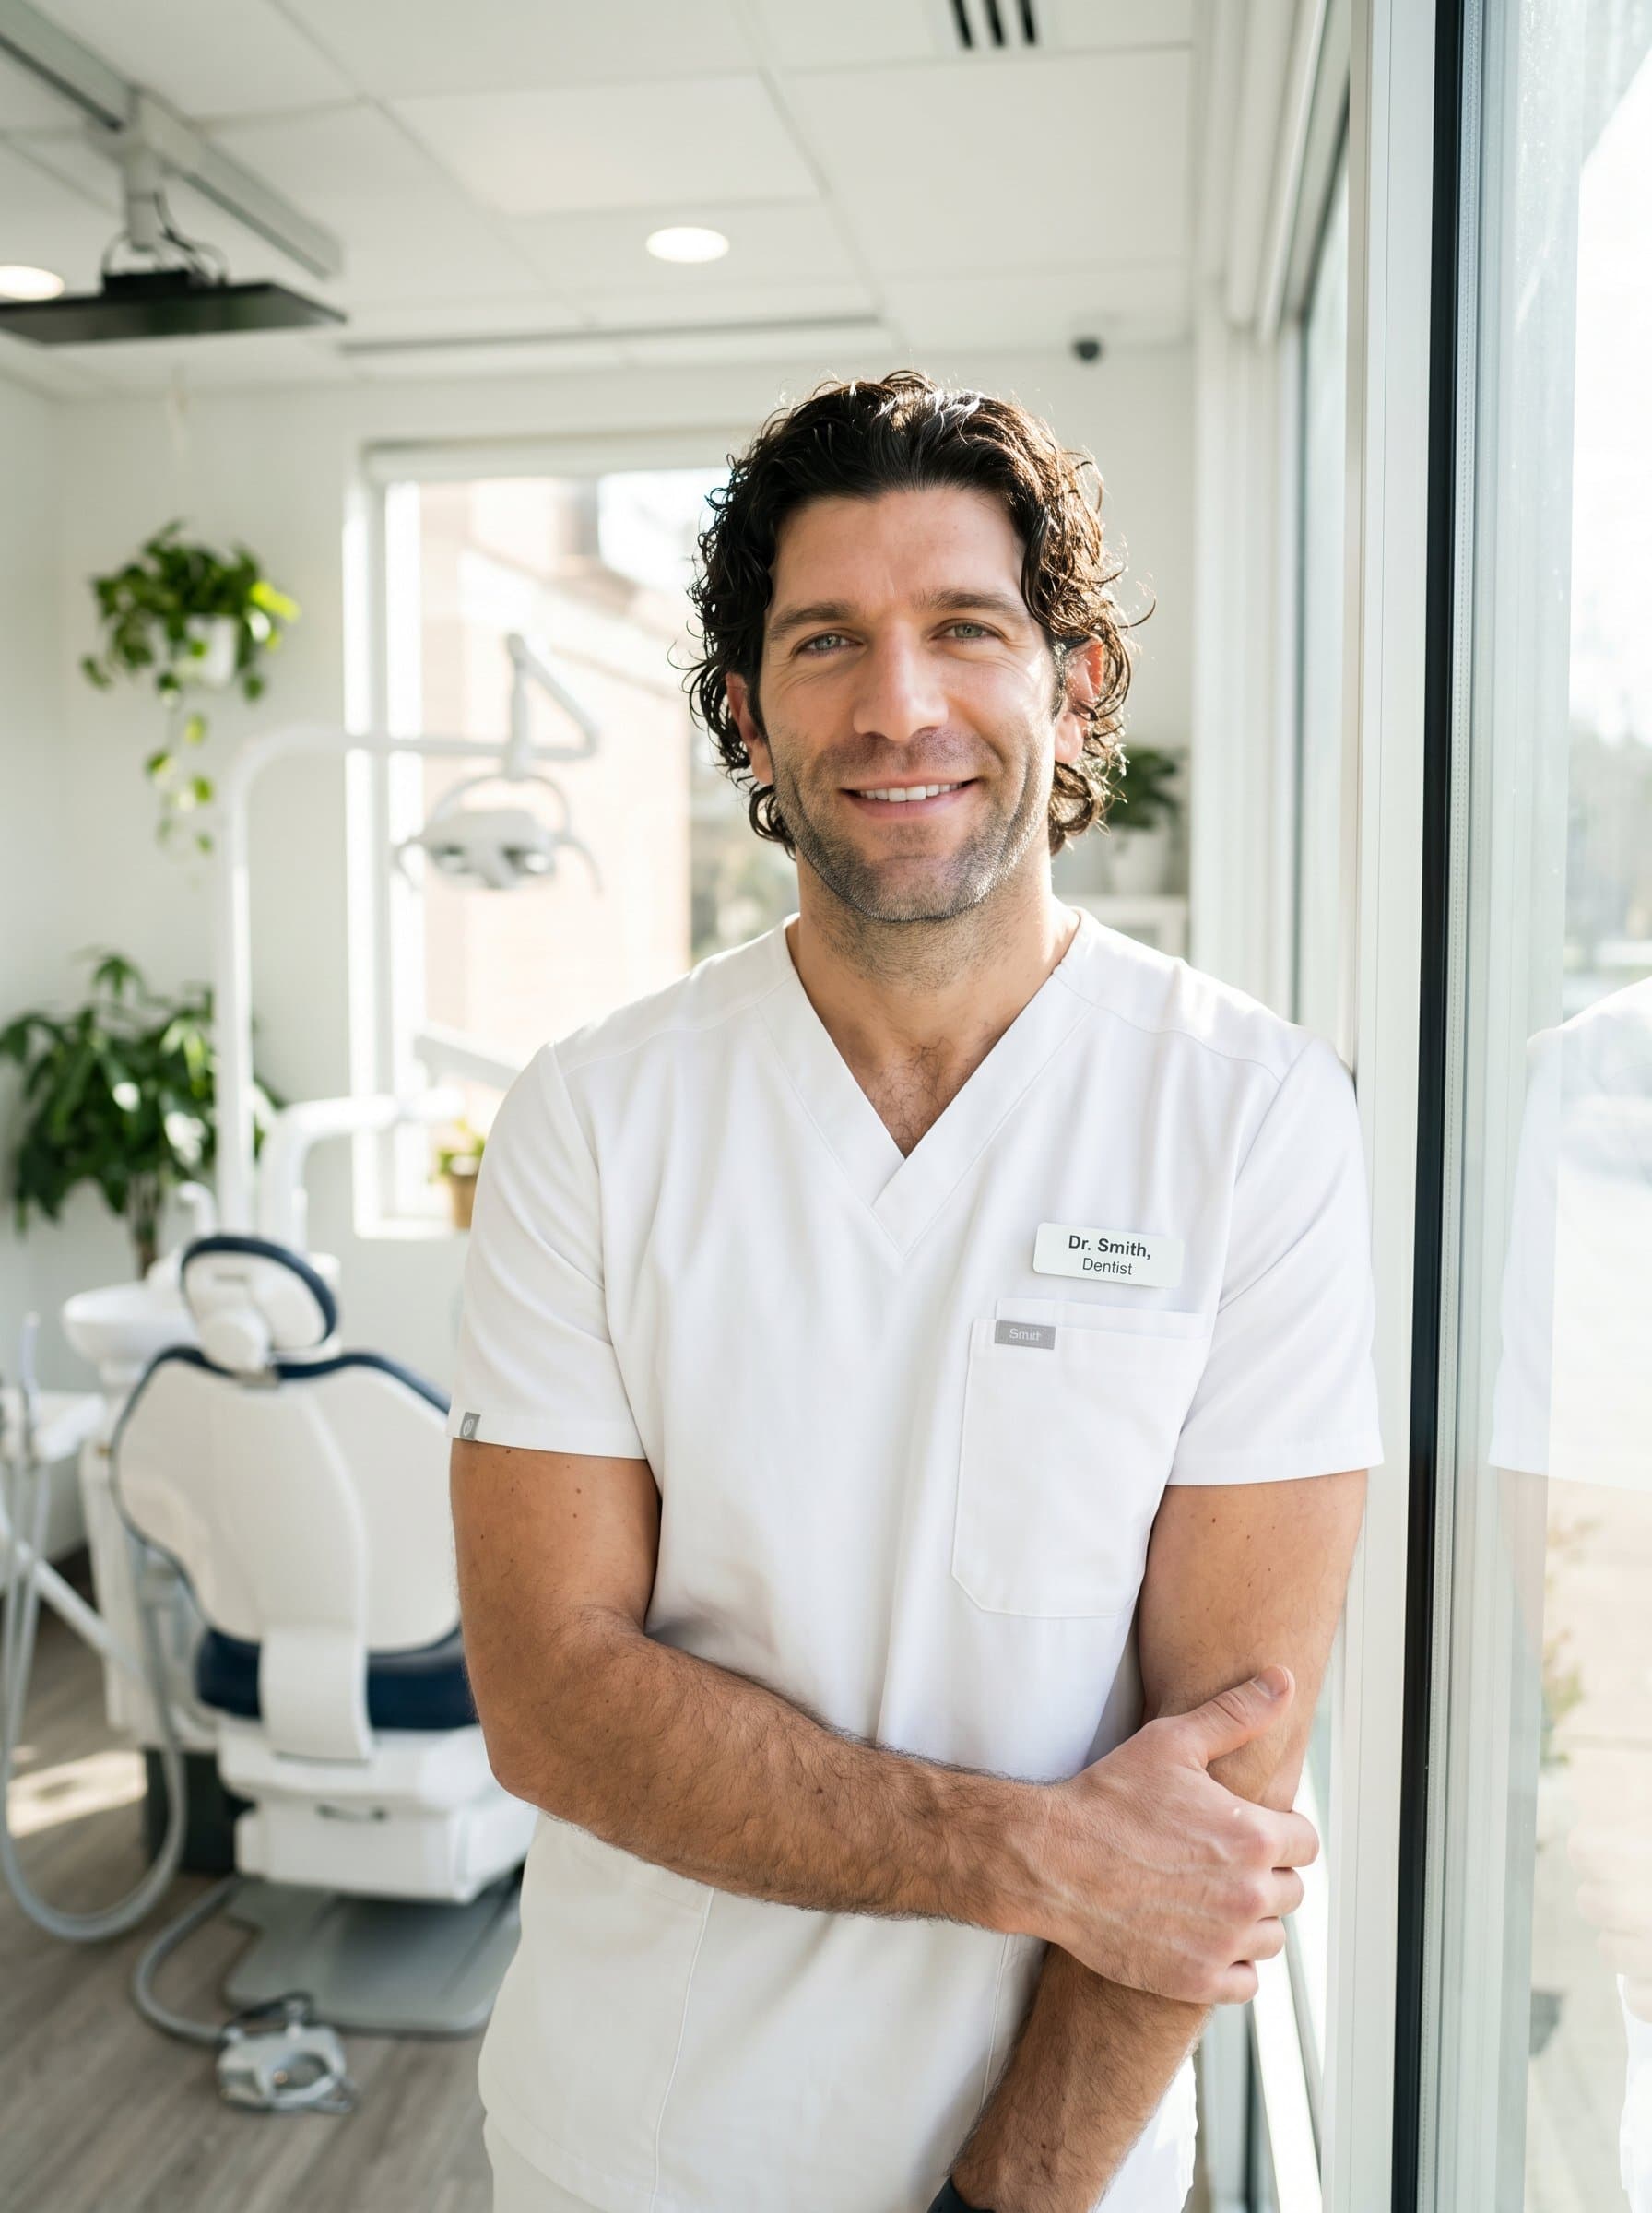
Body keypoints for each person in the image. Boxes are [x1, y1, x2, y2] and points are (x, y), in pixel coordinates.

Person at [449, 371, 1382, 2213]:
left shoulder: (1245, 1117)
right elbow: (549, 1697)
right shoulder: (594, 1118)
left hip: (1058, 2165)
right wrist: (1035, 1854)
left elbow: (1228, 1768)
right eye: (823, 643)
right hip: (634, 2146)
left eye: (965, 628)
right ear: (741, 707)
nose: (898, 707)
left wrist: (1007, 2197)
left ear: (1073, 677)